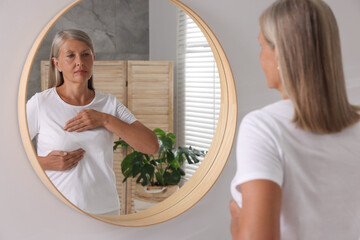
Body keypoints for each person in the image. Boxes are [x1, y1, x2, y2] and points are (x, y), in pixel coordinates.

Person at [230, 0, 360, 239]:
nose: (260, 58)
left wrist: (237, 219)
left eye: (262, 46)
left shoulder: (263, 127)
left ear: (280, 54)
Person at [26, 29, 159, 216]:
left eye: (85, 54)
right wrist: (45, 163)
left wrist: (104, 119)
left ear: (93, 59)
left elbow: (151, 146)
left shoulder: (109, 104)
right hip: (56, 212)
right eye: (70, 56)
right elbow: (7, 154)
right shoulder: (40, 104)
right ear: (57, 64)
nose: (79, 62)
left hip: (106, 211)